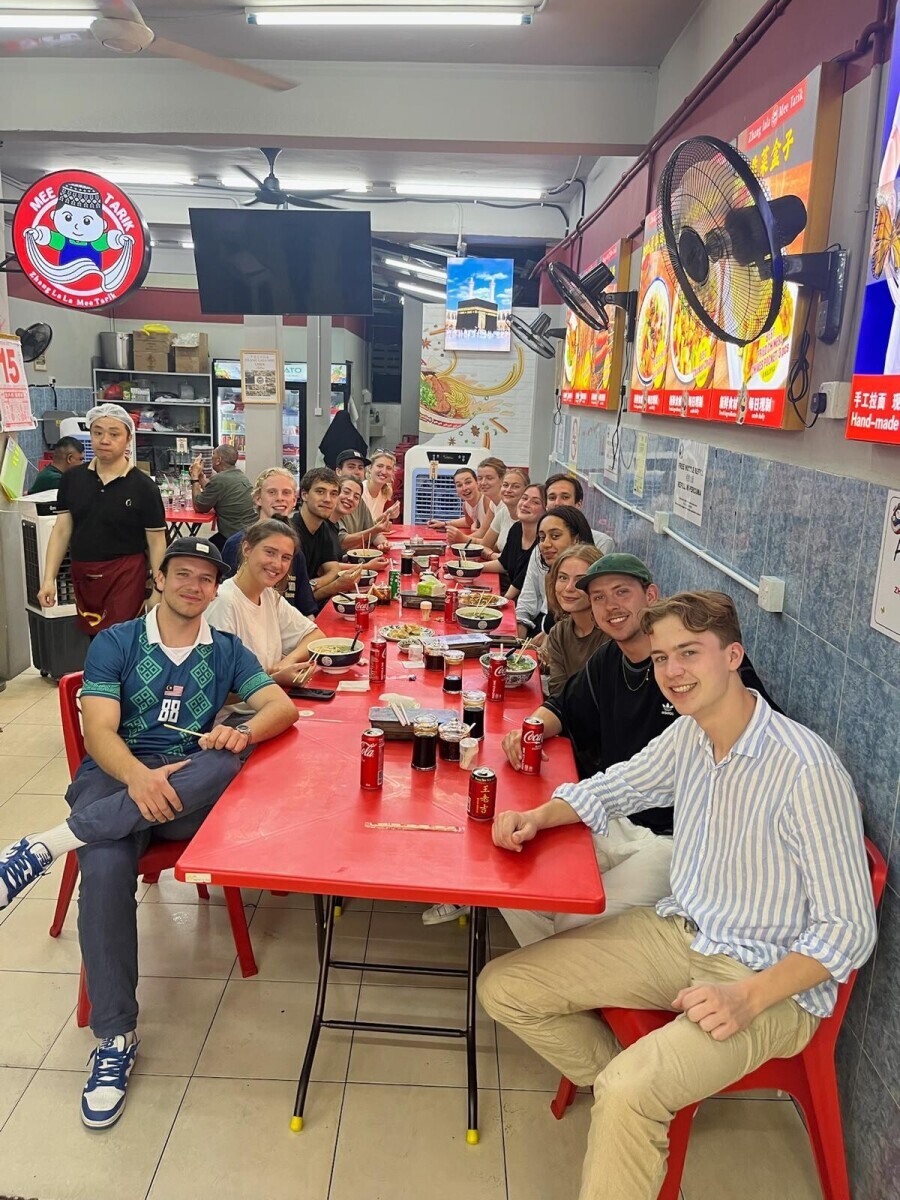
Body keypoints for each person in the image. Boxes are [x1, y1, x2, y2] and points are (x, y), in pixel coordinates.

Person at [479, 590, 876, 1200]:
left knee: (629, 1093)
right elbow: (618, 786)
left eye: (689, 653)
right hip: (681, 932)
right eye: (662, 657)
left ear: (733, 656)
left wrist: (747, 997)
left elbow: (848, 928)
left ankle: (634, 1097)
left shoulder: (806, 770)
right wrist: (538, 816)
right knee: (505, 988)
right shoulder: (691, 734)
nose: (672, 671)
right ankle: (632, 1089)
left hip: (765, 979)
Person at [0, 536, 297, 1129]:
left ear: (215, 589)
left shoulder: (227, 648)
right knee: (107, 864)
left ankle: (47, 845)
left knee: (224, 760)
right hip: (115, 777)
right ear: (159, 579)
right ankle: (115, 1039)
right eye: (181, 573)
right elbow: (99, 734)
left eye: (205, 578)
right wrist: (138, 777)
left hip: (185, 785)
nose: (193, 586)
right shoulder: (117, 641)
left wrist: (242, 730)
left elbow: (281, 708)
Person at [499, 556, 779, 946]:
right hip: (616, 819)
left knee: (572, 922)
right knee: (512, 879)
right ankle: (567, 968)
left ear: (650, 596)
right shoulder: (613, 663)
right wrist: (530, 731)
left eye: (622, 592)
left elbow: (770, 748)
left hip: (676, 840)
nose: (674, 671)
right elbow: (572, 719)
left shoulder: (718, 684)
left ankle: (564, 966)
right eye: (599, 597)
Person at [37, 403, 166, 635]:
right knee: (92, 639)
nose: (104, 440)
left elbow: (156, 540)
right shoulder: (72, 479)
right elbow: (62, 531)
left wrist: (159, 588)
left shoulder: (144, 486)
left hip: (126, 575)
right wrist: (49, 579)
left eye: (114, 434)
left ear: (128, 439)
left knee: (123, 637)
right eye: (97, 433)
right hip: (84, 574)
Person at [206, 519, 321, 685]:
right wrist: (274, 679)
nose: (277, 564)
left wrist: (287, 662)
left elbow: (315, 637)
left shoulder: (269, 595)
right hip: (249, 702)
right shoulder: (223, 602)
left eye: (286, 558)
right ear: (247, 549)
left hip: (269, 695)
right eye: (270, 552)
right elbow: (217, 688)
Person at [221, 467, 316, 617]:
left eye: (286, 493)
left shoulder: (293, 547)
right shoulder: (236, 544)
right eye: (272, 492)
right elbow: (223, 599)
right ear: (258, 499)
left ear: (294, 500)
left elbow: (306, 608)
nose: (280, 498)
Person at [515, 505, 595, 640]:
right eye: (542, 538)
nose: (545, 544)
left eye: (555, 536)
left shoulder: (594, 579)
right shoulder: (550, 577)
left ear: (576, 539)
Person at [291, 466, 366, 608]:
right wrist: (335, 586)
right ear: (304, 495)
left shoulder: (323, 527)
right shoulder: (290, 535)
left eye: (333, 494)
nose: (328, 499)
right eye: (320, 492)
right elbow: (296, 601)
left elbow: (334, 570)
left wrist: (313, 584)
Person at [541, 544, 608, 695]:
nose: (569, 588)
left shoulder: (612, 634)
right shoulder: (559, 633)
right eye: (563, 578)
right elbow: (558, 693)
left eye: (580, 580)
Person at [189, 444, 257, 547]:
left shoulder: (219, 480)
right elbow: (214, 492)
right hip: (250, 533)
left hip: (234, 537)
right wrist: (201, 478)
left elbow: (199, 507)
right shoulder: (240, 476)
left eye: (213, 454)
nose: (211, 457)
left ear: (218, 460)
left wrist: (194, 477)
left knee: (202, 549)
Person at [477, 468, 530, 561]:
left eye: (515, 486)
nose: (508, 490)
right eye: (505, 485)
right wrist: (492, 555)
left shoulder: (529, 519)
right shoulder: (503, 512)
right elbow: (483, 547)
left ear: (526, 491)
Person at [334, 471, 392, 552]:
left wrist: (383, 543)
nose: (350, 498)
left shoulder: (360, 503)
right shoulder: (329, 512)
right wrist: (375, 530)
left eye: (356, 497)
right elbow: (341, 542)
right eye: (346, 492)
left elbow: (374, 535)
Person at [465, 456, 507, 542]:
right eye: (480, 478)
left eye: (489, 478)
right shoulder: (493, 503)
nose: (483, 483)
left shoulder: (506, 506)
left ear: (502, 479)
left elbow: (494, 543)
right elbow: (482, 532)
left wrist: (462, 539)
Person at [428, 467, 482, 533]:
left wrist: (463, 536)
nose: (464, 488)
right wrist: (444, 524)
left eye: (468, 482)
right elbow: (468, 522)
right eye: (459, 485)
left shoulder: (486, 500)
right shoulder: (465, 506)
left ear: (477, 482)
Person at [362, 450, 400, 522]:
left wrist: (391, 514)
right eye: (379, 466)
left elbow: (374, 524)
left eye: (389, 468)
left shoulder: (385, 492)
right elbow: (362, 526)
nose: (384, 471)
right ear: (370, 468)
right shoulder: (361, 491)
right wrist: (386, 515)